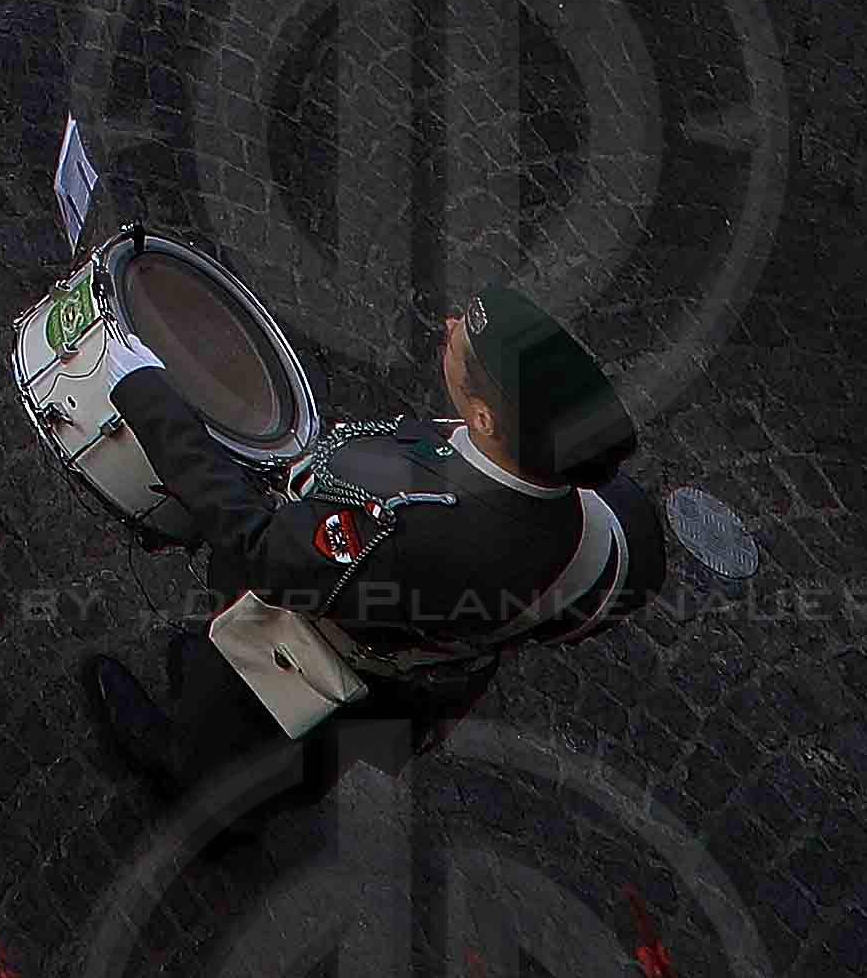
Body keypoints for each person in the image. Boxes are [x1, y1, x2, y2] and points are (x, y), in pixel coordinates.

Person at [79, 295, 654, 839]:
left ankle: (195, 799)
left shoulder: (412, 522)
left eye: (463, 348)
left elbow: (263, 551)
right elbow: (579, 612)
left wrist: (146, 394)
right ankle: (252, 803)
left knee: (222, 742)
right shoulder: (611, 521)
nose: (449, 325)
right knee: (306, 761)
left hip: (304, 657)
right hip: (408, 688)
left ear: (483, 419)